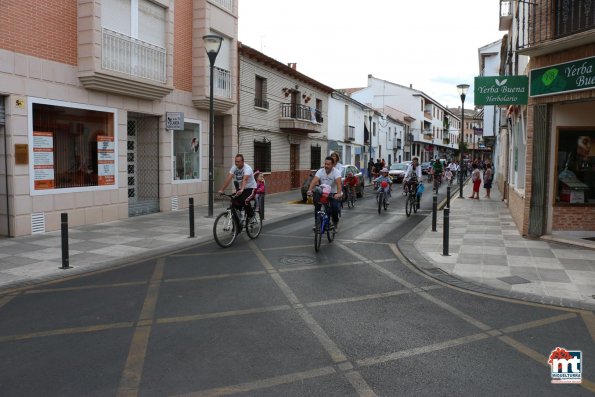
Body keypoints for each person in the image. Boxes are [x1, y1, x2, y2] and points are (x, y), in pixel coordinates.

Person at [307, 156, 343, 231]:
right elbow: (314, 181)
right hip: (323, 192)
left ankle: (335, 222)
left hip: (333, 193)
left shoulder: (336, 172)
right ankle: (317, 223)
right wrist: (309, 190)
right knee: (317, 205)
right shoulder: (320, 171)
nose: (326, 166)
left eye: (328, 164)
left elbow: (339, 184)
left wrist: (338, 194)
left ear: (332, 165)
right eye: (325, 164)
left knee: (335, 207)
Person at [218, 154, 257, 218]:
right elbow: (228, 178)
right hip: (242, 188)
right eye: (235, 161)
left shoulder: (247, 168)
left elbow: (245, 180)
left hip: (251, 188)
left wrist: (241, 190)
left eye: (238, 162)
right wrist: (222, 189)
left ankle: (251, 215)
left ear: (243, 162)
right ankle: (238, 219)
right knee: (234, 200)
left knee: (244, 200)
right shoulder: (234, 167)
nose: (236, 163)